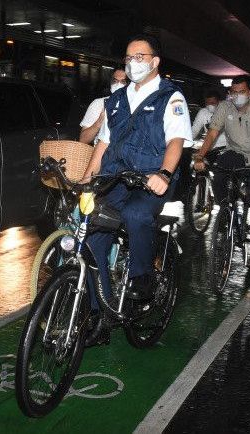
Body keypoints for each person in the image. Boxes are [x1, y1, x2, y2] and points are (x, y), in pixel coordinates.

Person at [80, 34, 191, 341]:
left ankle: (142, 277)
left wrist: (165, 174)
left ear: (154, 62)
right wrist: (89, 180)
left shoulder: (171, 97)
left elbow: (176, 141)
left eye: (139, 57)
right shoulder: (115, 101)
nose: (132, 63)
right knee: (91, 236)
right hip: (116, 176)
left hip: (150, 178)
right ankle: (98, 314)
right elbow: (103, 144)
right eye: (128, 58)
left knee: (136, 214)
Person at [193, 75, 250, 268]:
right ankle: (226, 210)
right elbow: (212, 132)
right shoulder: (224, 107)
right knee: (218, 175)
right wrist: (200, 156)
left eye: (241, 92)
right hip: (234, 153)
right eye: (233, 92)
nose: (237, 96)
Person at [175, 88, 227, 202]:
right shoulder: (203, 112)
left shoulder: (226, 112)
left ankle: (223, 199)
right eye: (207, 103)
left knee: (222, 175)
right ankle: (200, 198)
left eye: (213, 103)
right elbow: (194, 130)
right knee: (199, 168)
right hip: (209, 148)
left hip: (225, 148)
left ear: (219, 102)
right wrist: (183, 140)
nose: (210, 106)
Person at [79, 69, 128, 144]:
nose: (118, 84)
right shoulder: (98, 103)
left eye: (123, 82)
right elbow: (83, 140)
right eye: (115, 81)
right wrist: (100, 121)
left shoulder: (136, 105)